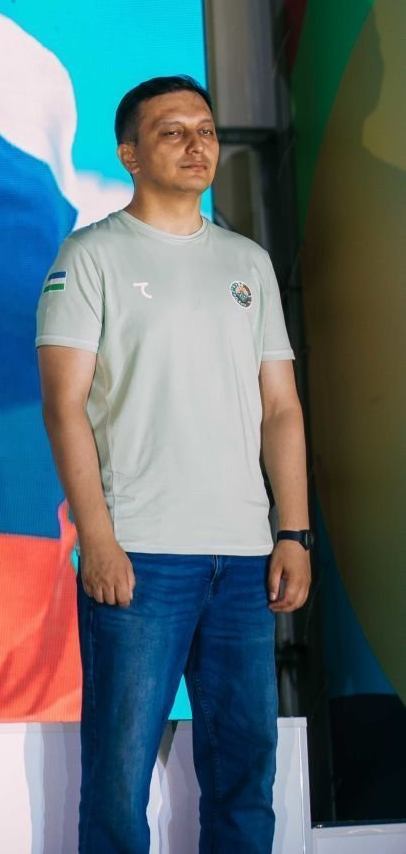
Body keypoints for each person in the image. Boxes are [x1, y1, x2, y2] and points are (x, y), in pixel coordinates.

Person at [36, 75, 312, 852]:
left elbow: (281, 408)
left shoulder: (247, 261)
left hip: (245, 556)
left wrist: (293, 532)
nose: (197, 144)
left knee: (243, 770)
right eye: (173, 131)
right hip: (141, 554)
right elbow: (63, 405)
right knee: (119, 779)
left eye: (207, 129)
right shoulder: (90, 255)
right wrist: (98, 538)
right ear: (128, 154)